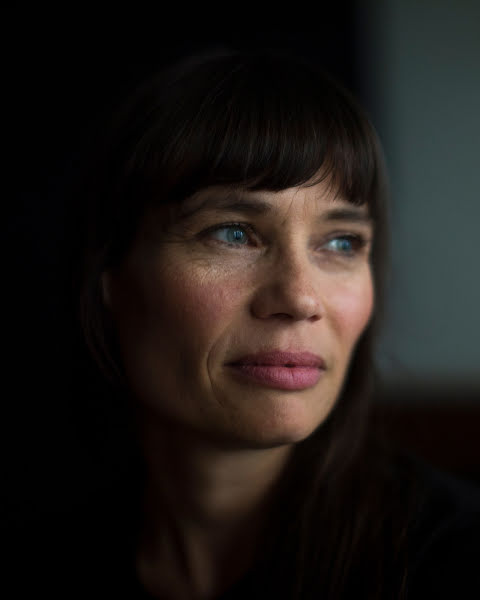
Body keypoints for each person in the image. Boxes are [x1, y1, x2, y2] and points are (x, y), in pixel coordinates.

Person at [5, 46, 480, 599]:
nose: (301, 298)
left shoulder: (454, 562)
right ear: (112, 277)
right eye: (233, 232)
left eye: (341, 242)